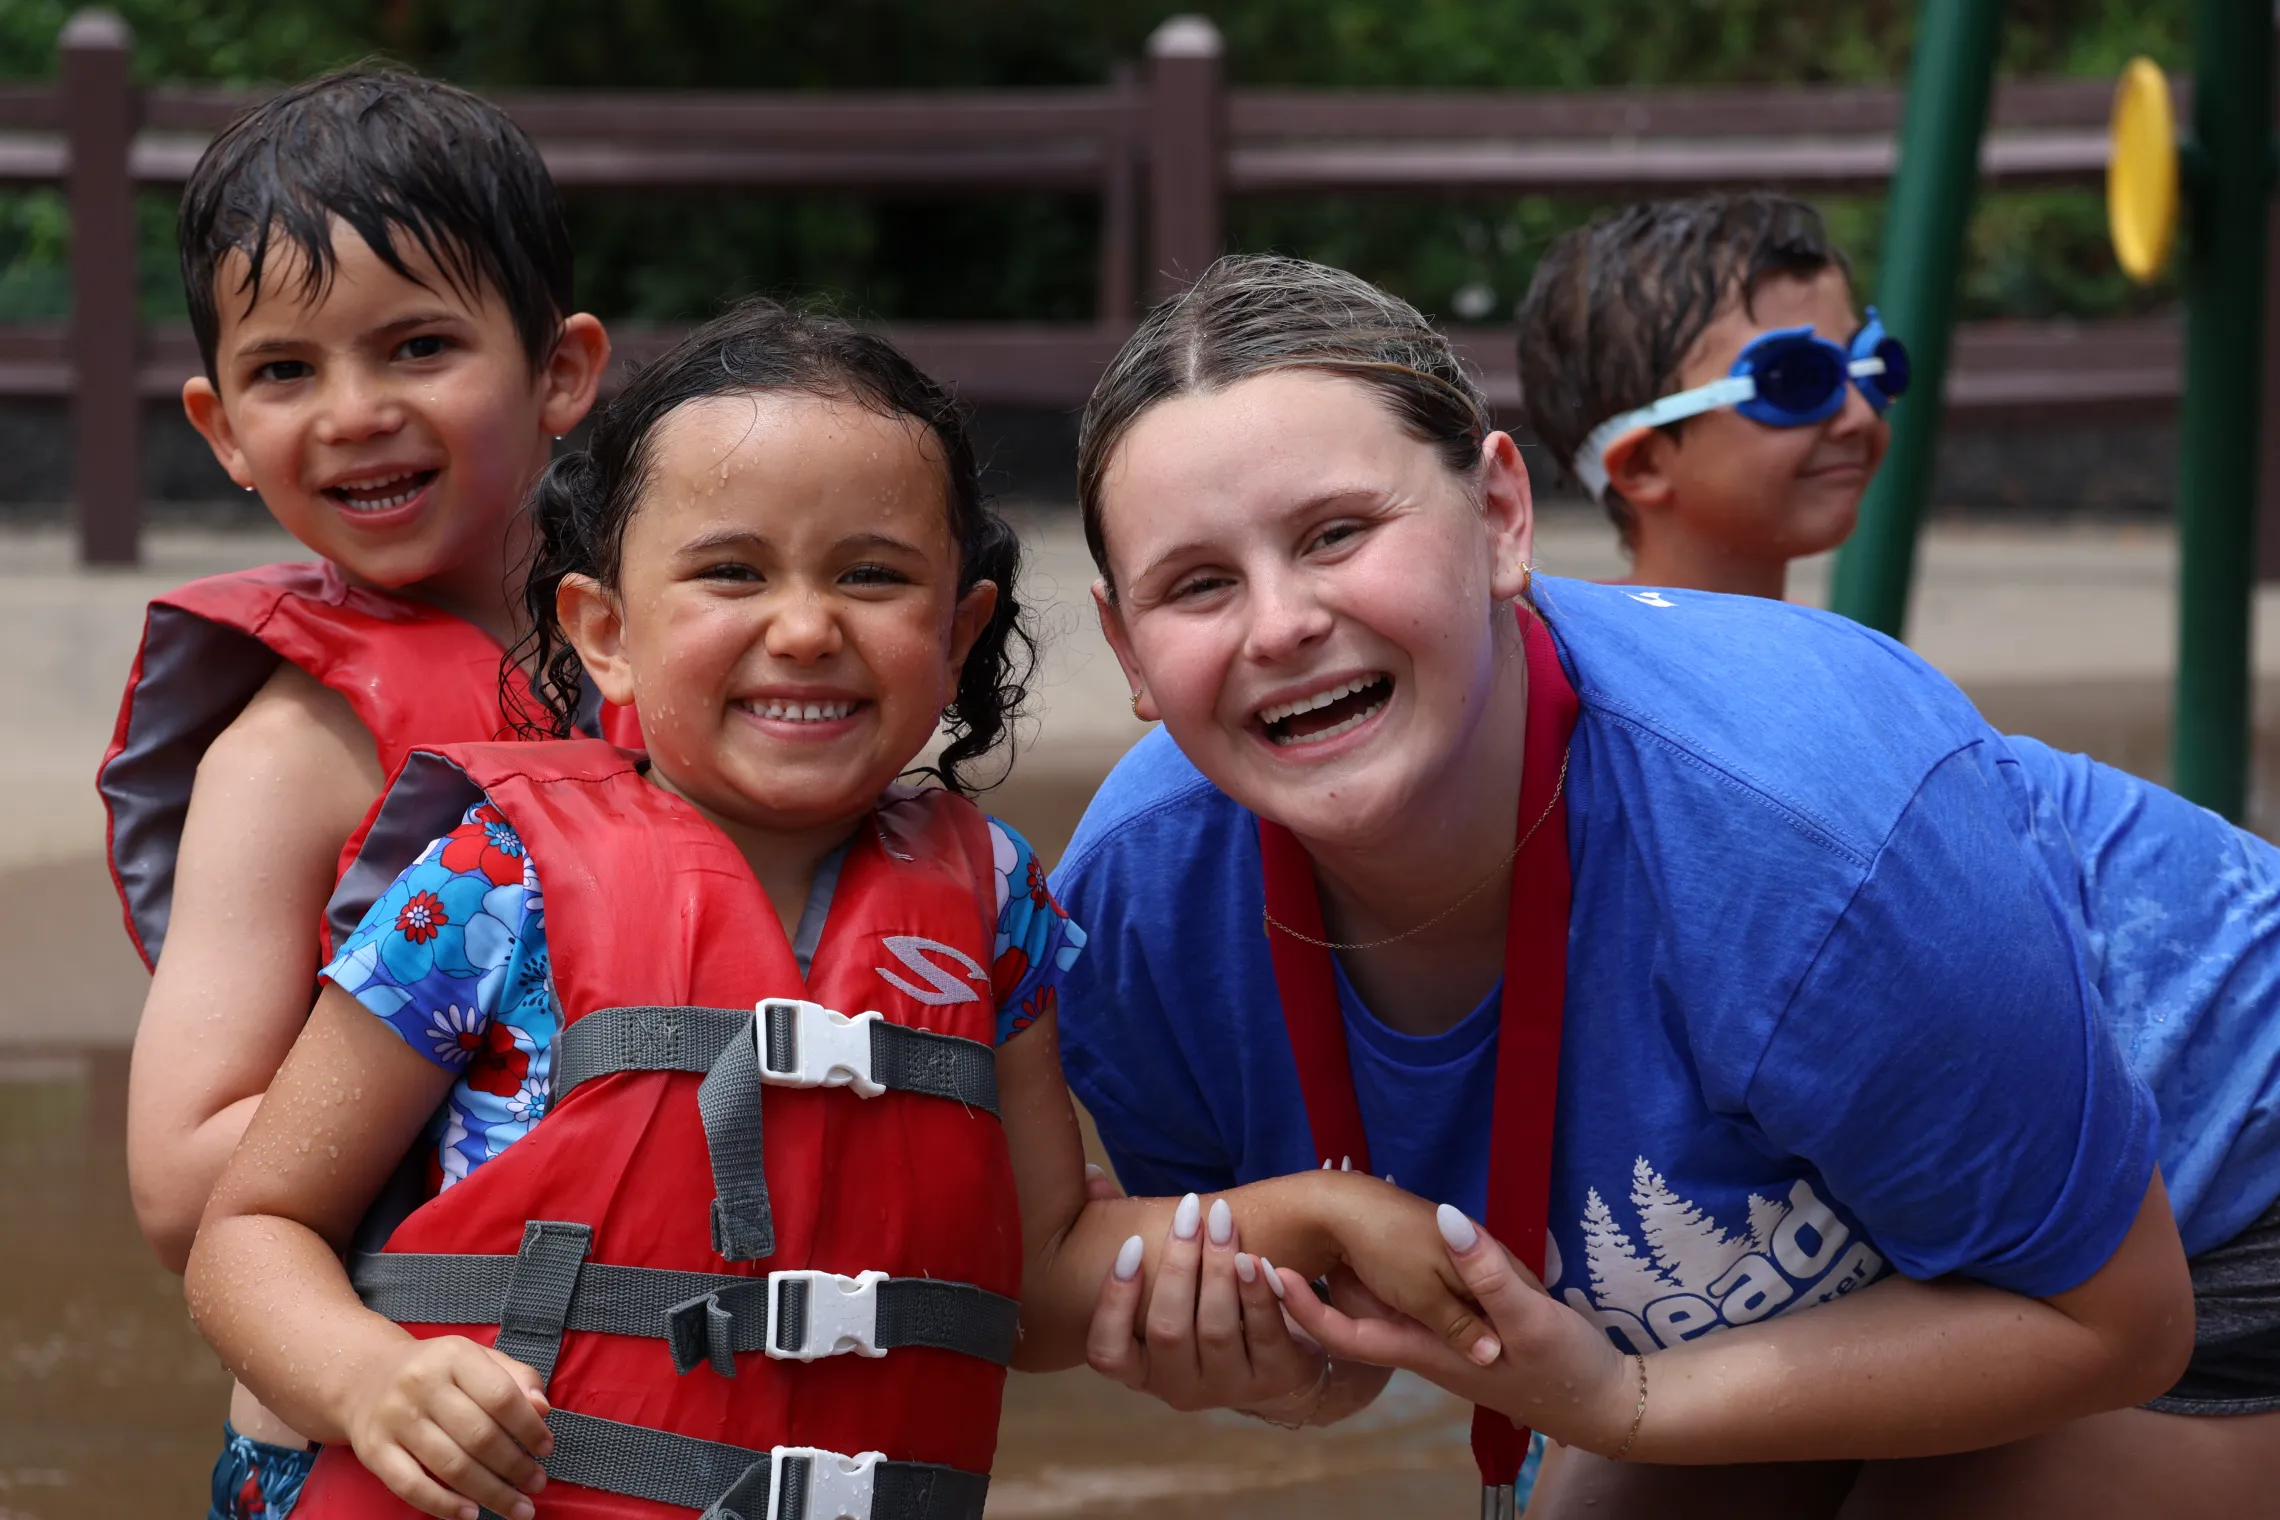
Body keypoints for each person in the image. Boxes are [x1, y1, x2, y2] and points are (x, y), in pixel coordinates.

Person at [181, 301, 1493, 1520]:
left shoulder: (994, 908)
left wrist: (1318, 1219)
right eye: (731, 573)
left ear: (959, 632)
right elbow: (250, 1231)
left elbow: (1040, 1278)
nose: (805, 629)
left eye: (870, 576)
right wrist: (365, 1378)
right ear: (605, 630)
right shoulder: (489, 883)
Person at [1051, 253, 2280, 1518]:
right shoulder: (1138, 915)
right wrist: (1292, 1369)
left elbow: (2117, 1320)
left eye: (1337, 534)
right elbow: (1342, 1351)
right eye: (1198, 584)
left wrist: (1627, 1400)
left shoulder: (1798, 834)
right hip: (1854, 1263)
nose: (1279, 624)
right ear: (1126, 645)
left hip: (2215, 1217)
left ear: (1502, 516)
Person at [100, 66, 611, 1518]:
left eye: (419, 346)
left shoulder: (672, 668)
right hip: (366, 1425)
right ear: (220, 428)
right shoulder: (287, 761)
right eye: (285, 372)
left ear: (561, 370)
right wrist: (521, 1113)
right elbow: (184, 1182)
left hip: (637, 1408)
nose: (356, 412)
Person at [1515, 194, 1902, 600]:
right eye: (1799, 379)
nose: (1860, 415)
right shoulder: (1561, 642)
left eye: (1872, 368)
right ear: (1643, 463)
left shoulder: (1808, 637)